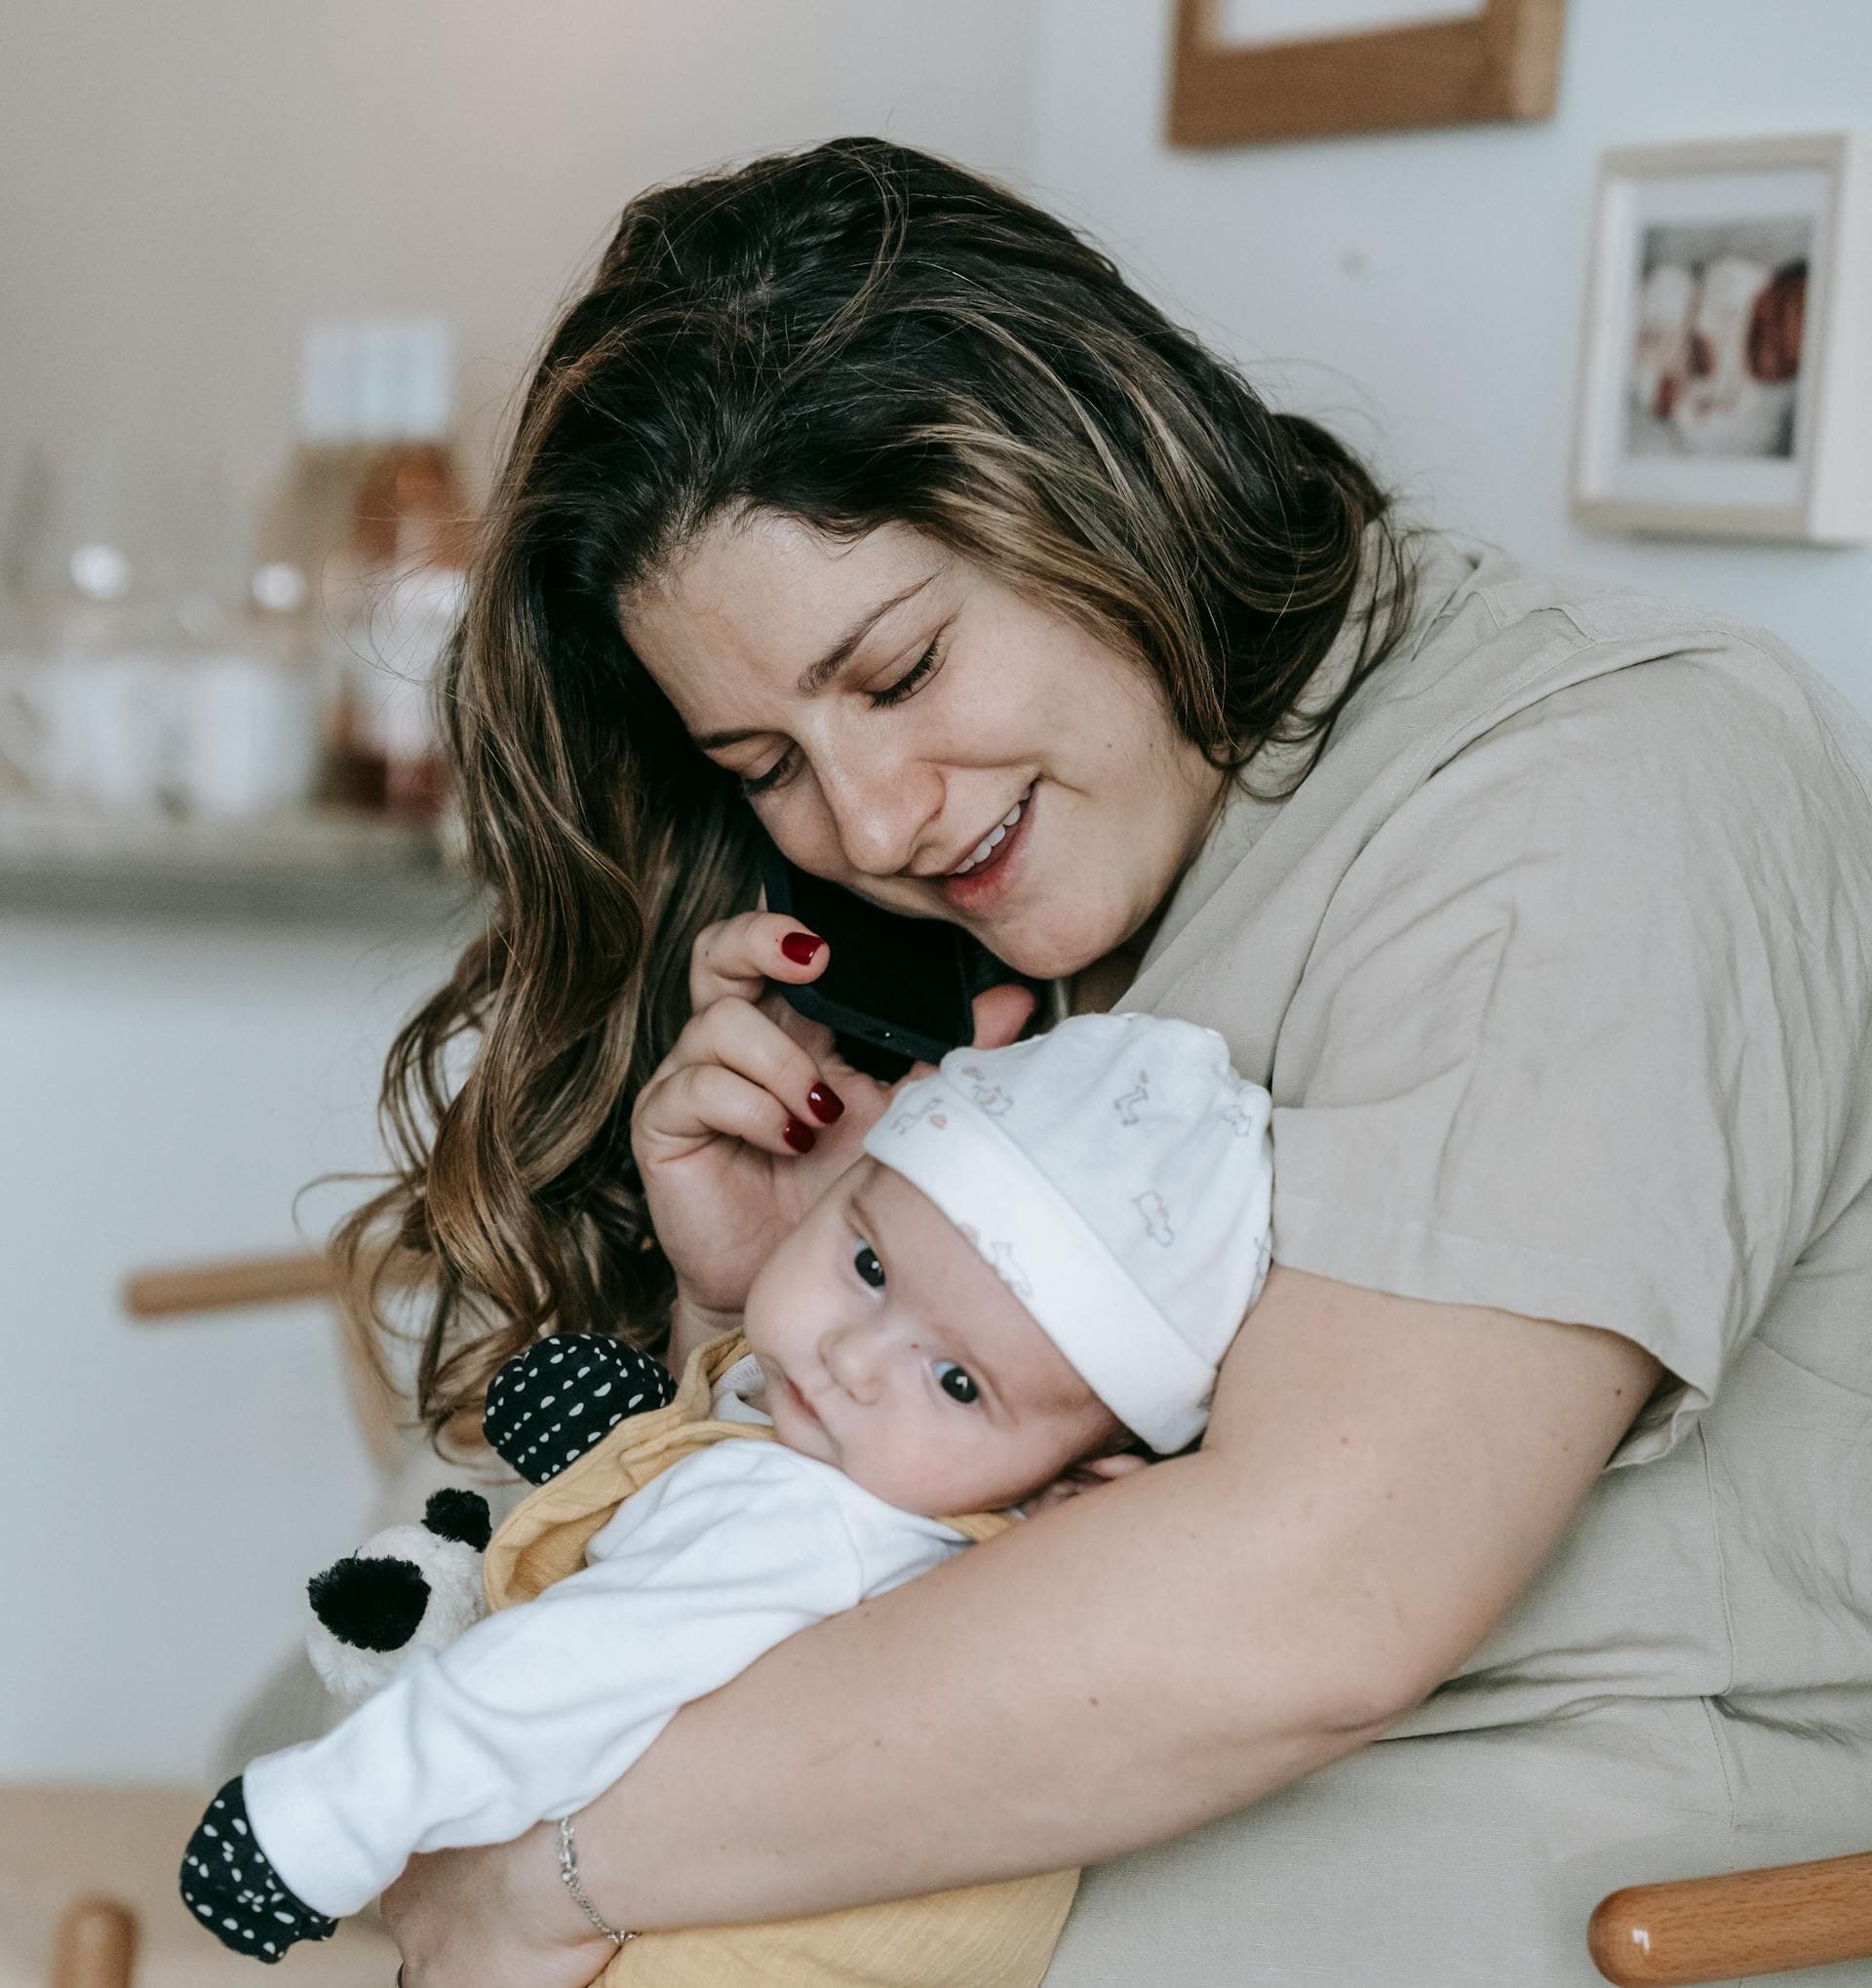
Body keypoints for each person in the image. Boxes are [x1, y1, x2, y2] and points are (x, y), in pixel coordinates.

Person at [355, 137, 1872, 1987]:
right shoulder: (1057, 902)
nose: (873, 819)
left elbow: (1318, 1601)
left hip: (1532, 1867)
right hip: (1082, 1825)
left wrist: (559, 1859)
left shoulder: (1593, 791)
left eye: (902, 669)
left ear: (1090, 476)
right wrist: (753, 1303)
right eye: (762, 764)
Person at [182, 1014, 1270, 1988]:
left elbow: (553, 1684)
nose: (851, 1354)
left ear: (1077, 1482)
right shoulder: (936, 1521)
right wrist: (646, 1428)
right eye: (870, 1265)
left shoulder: (814, 1522)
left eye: (956, 1380)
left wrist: (311, 1826)